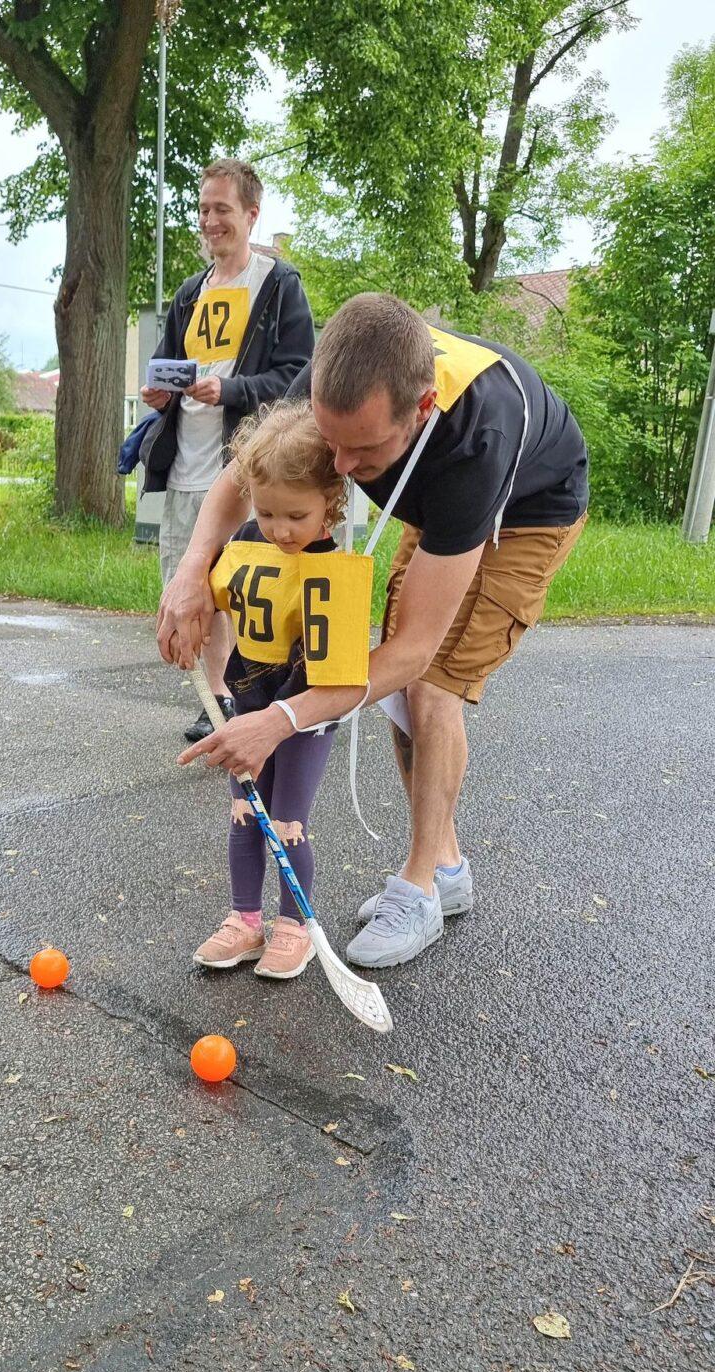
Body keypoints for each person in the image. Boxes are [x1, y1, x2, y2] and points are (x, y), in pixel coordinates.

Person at [159, 293, 589, 970]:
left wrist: (280, 720)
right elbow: (244, 477)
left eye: (360, 450)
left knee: (431, 685)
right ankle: (446, 865)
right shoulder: (338, 377)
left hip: (529, 510)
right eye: (330, 440)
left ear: (419, 411)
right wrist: (192, 571)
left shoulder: (477, 438)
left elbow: (411, 653)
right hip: (435, 496)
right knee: (396, 695)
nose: (337, 464)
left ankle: (421, 889)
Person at [140, 158, 315, 742]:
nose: (211, 221)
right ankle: (216, 698)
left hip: (247, 468)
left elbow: (299, 377)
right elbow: (168, 365)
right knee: (197, 584)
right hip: (184, 463)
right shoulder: (189, 293)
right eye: (203, 209)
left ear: (251, 214)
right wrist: (159, 397)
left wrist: (232, 389)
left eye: (223, 210)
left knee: (246, 581)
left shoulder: (277, 286)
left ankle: (260, 694)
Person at [191, 400, 345, 980]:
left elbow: (337, 669)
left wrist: (293, 711)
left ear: (330, 505)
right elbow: (217, 597)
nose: (279, 529)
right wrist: (195, 617)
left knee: (287, 821)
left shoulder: (333, 567)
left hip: (305, 710)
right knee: (242, 815)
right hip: (247, 701)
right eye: (267, 510)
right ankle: (245, 920)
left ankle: (295, 927)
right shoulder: (248, 542)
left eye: (296, 516)